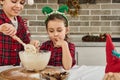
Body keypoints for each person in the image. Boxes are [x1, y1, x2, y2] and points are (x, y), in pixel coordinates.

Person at [0, 0, 39, 66]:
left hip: (15, 68)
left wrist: (31, 44)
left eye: (22, 3)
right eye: (14, 1)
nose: (18, 6)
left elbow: (25, 42)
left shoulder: (20, 21)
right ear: (2, 1)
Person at [40, 5, 76, 70]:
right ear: (47, 31)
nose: (55, 34)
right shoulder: (45, 46)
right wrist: (35, 50)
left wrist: (64, 45)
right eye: (51, 31)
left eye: (59, 30)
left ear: (66, 30)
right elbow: (39, 64)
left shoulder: (70, 46)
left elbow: (67, 67)